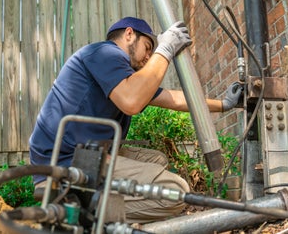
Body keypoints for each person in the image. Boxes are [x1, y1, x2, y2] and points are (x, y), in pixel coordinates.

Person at [29, 17, 242, 223]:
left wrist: (224, 104)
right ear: (129, 34)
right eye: (148, 47)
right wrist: (165, 50)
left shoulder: (121, 75)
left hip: (86, 151)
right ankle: (77, 209)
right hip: (65, 160)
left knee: (157, 160)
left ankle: (93, 205)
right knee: (176, 192)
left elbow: (174, 99)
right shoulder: (104, 53)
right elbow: (132, 102)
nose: (149, 56)